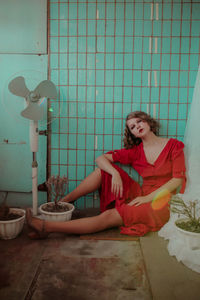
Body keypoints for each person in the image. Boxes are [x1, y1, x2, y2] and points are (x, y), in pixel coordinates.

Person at [26, 111, 186, 239]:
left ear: (148, 122)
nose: (137, 126)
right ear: (133, 134)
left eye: (139, 121)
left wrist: (147, 199)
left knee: (109, 216)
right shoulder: (136, 152)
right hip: (141, 194)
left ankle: (46, 227)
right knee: (102, 172)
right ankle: (64, 202)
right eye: (132, 127)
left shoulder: (174, 145)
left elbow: (177, 180)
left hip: (161, 202)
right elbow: (100, 159)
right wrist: (114, 173)